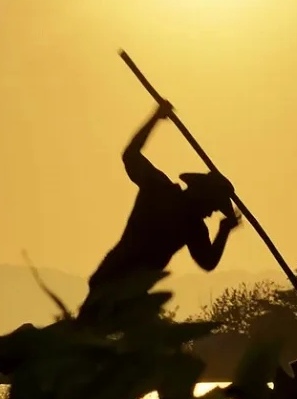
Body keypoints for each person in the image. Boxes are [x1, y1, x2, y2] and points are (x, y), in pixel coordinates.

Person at [76, 99, 241, 326]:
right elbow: (130, 155)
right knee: (88, 336)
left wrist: (224, 231)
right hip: (116, 282)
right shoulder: (166, 197)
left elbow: (207, 262)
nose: (211, 213)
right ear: (201, 194)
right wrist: (155, 117)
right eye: (212, 205)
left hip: (129, 291)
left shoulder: (182, 214)